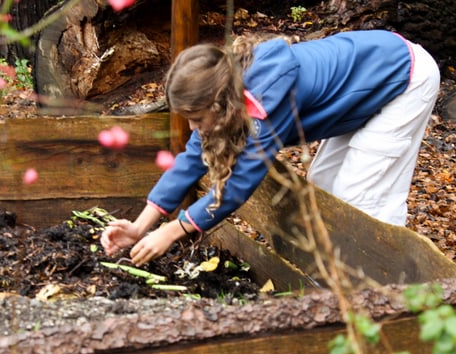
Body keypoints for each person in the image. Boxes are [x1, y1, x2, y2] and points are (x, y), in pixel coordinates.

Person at [101, 30, 440, 266]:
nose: (192, 127)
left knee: (362, 198)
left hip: (402, 79)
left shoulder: (266, 101)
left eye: (196, 118)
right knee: (325, 189)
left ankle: (387, 289)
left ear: (221, 104)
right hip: (364, 86)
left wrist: (172, 231)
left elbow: (234, 189)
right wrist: (141, 226)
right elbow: (194, 157)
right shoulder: (229, 88)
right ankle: (336, 278)